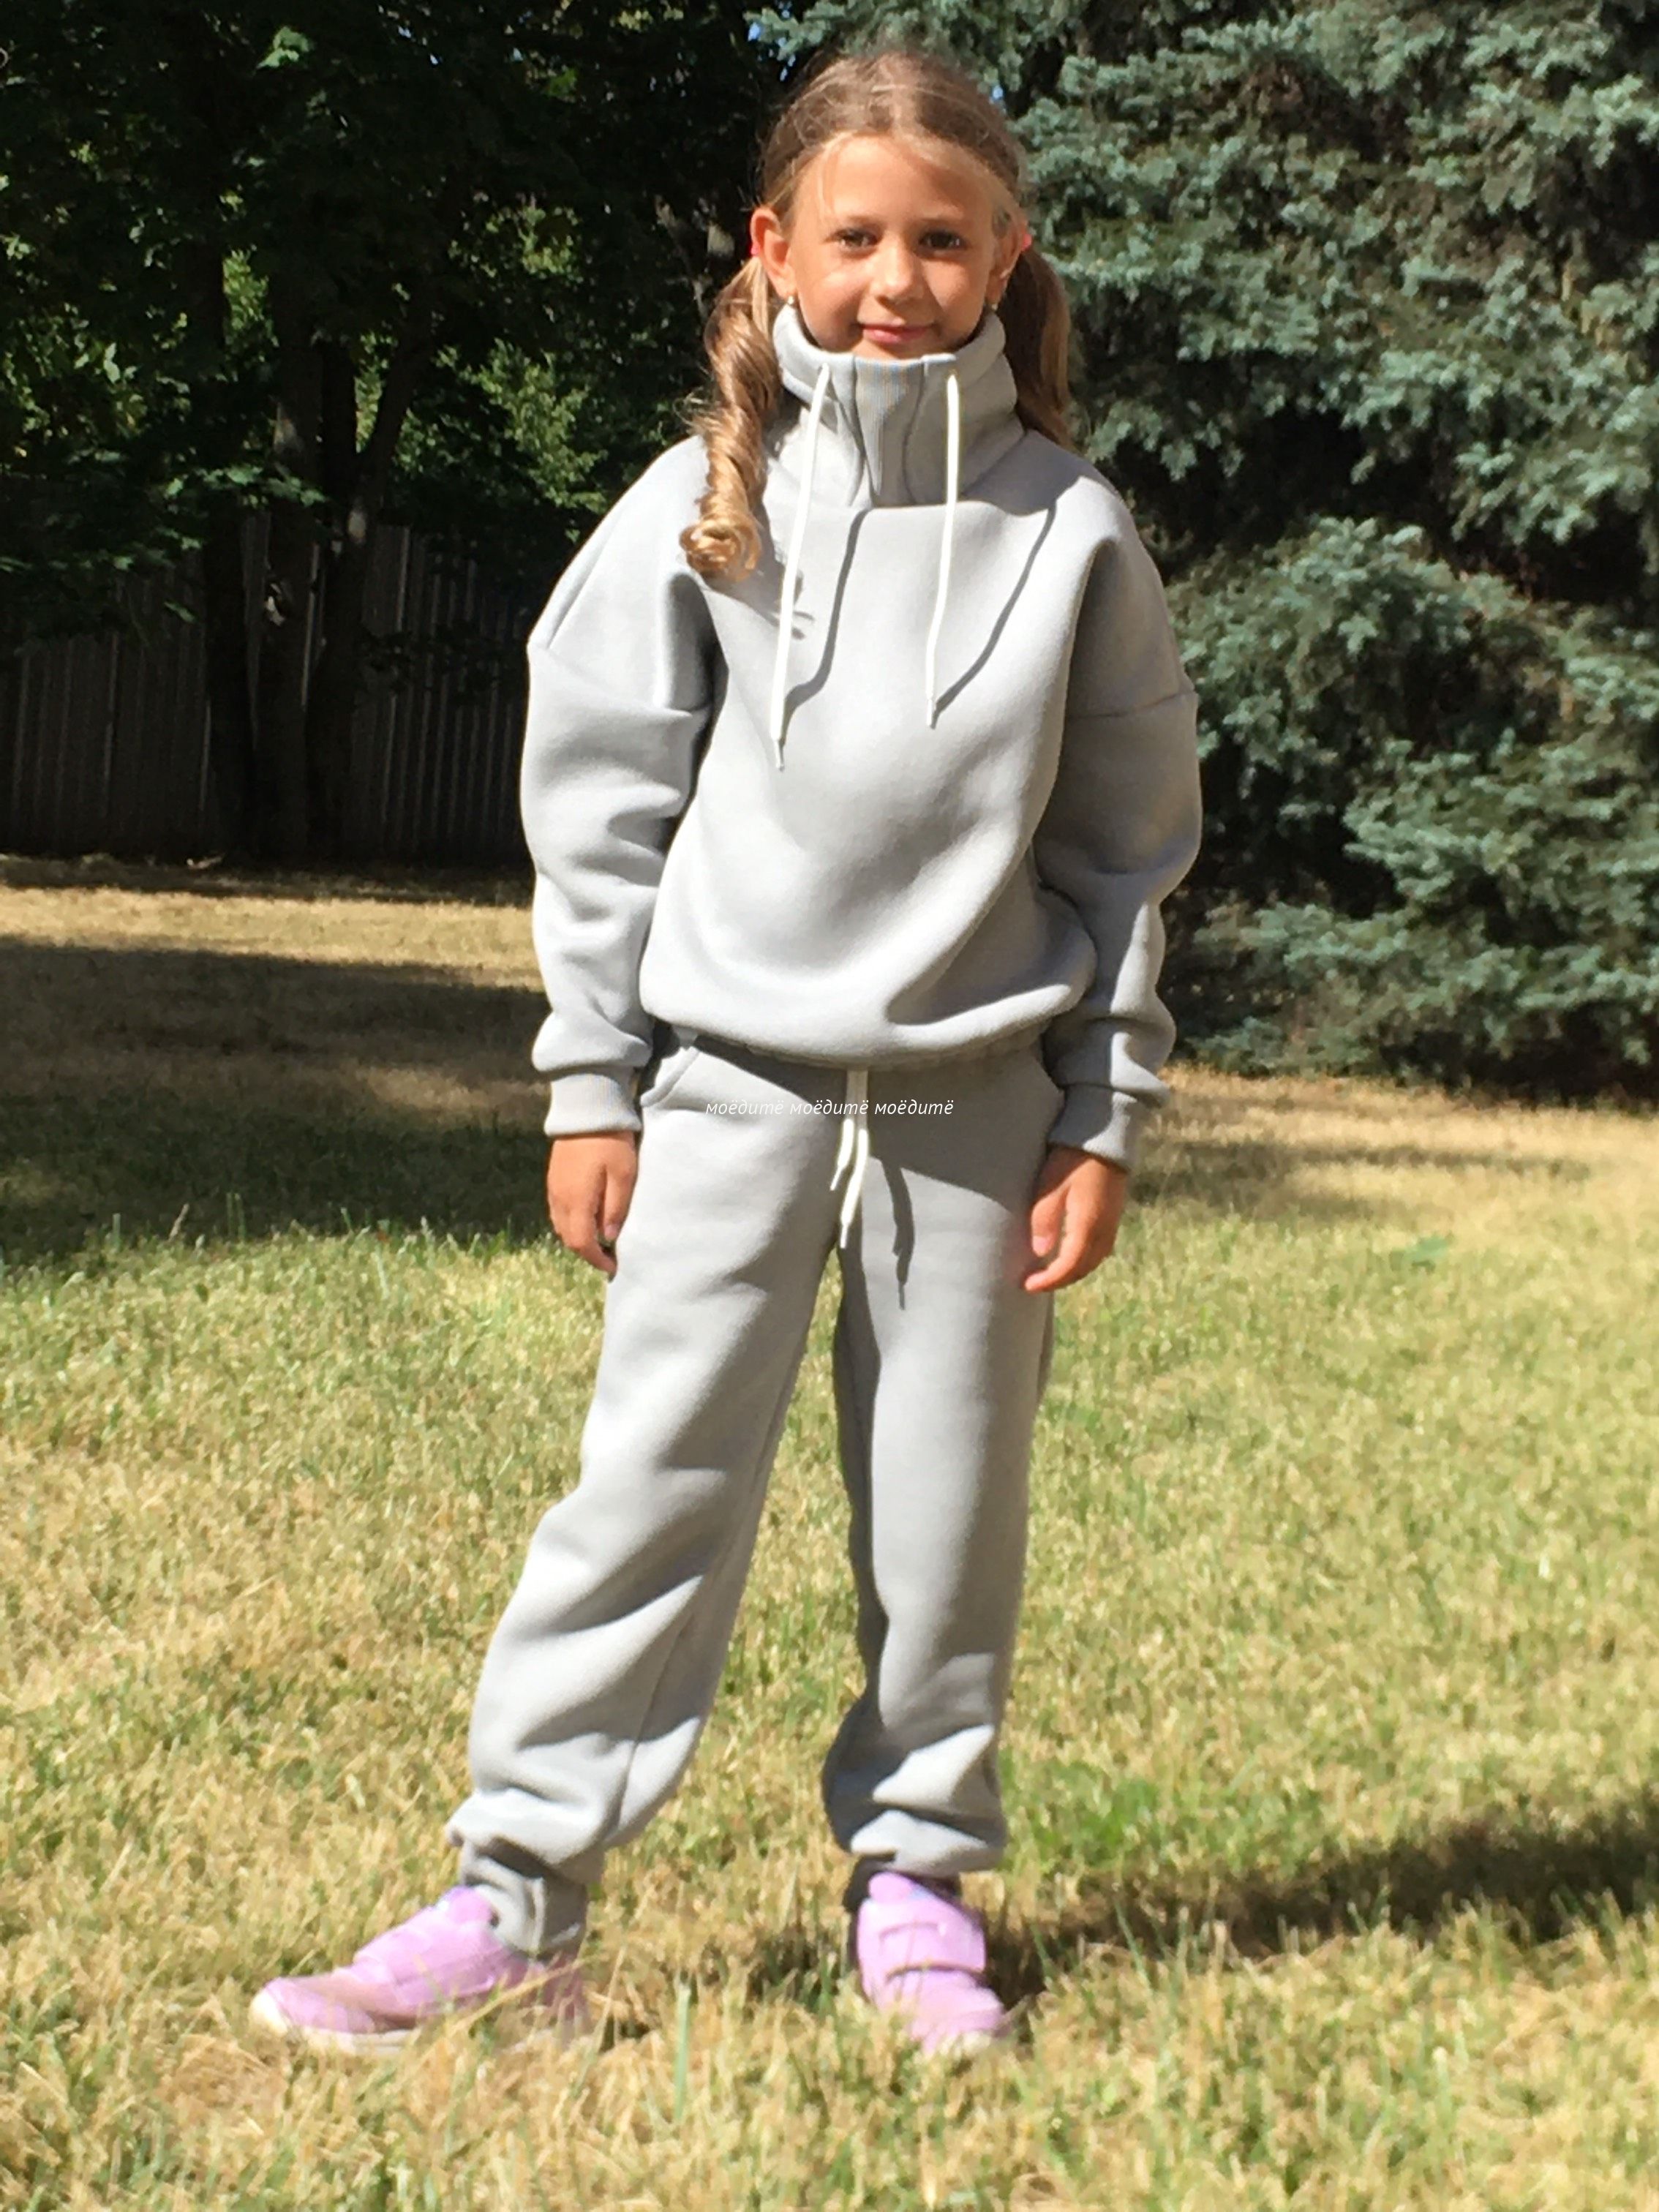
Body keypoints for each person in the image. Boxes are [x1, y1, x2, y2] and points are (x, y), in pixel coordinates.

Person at [251, 40, 1203, 2061]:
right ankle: (516, 1902)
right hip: (724, 1099)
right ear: (775, 245)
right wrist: (591, 1080)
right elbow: (599, 808)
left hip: (973, 1115)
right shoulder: (707, 503)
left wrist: (1103, 1111)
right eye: (853, 237)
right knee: (647, 1493)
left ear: (1006, 254)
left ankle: (920, 1891)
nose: (895, 279)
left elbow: (1126, 845)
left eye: (941, 240)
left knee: (945, 1523)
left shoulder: (1069, 533)